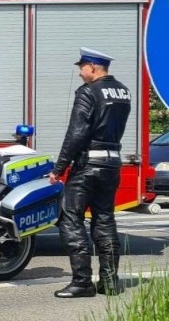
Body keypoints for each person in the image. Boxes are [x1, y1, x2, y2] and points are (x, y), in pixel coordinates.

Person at [49, 47, 131, 298]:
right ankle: (109, 281)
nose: (80, 73)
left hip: (87, 166)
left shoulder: (88, 92)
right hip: (112, 164)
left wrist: (59, 168)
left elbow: (77, 133)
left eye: (82, 68)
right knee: (104, 219)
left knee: (70, 217)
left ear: (93, 68)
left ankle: (82, 282)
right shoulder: (123, 91)